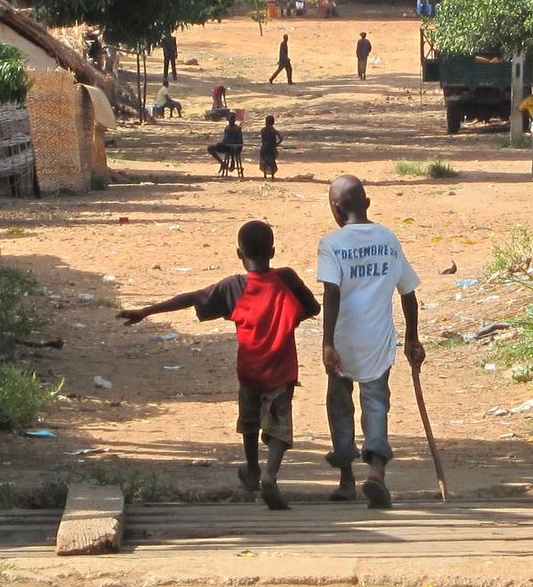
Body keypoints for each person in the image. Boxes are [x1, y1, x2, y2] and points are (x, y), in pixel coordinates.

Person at [117, 221, 319, 509]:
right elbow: (313, 308)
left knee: (249, 423)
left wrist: (146, 311)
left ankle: (252, 470)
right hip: (282, 371)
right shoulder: (287, 279)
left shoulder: (234, 287)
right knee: (280, 427)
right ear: (273, 251)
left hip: (250, 371)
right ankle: (271, 475)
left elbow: (191, 298)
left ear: (239, 253)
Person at [318, 175, 423, 509]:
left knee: (340, 406)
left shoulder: (332, 244)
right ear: (367, 203)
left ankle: (347, 480)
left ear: (335, 209)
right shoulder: (388, 240)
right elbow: (408, 293)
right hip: (378, 340)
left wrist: (327, 344)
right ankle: (376, 471)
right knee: (376, 403)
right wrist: (412, 338)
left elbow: (330, 292)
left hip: (343, 340)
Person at [259, 115, 283, 179]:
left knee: (264, 161)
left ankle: (265, 175)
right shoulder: (274, 131)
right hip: (272, 148)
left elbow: (263, 139)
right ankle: (272, 175)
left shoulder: (263, 130)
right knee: (272, 161)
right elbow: (280, 138)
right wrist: (276, 144)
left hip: (264, 148)